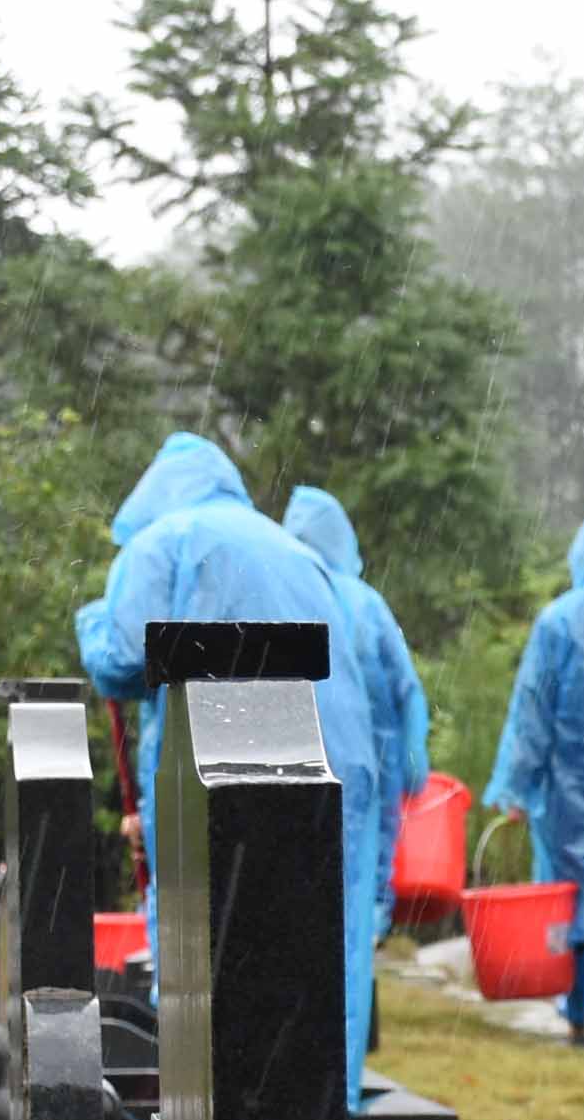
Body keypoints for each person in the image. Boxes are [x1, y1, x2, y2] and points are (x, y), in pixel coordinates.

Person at [73, 430, 386, 1066]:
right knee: (323, 947)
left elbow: (125, 658)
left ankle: (219, 1114)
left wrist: (90, 624)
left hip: (230, 761)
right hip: (336, 757)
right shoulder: (291, 549)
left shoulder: (161, 544)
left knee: (214, 940)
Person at [483, 499, 584, 1042]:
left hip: (570, 790)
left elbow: (533, 708)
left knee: (567, 902)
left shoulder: (559, 620)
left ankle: (576, 1015)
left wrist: (514, 783)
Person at [283, 483, 436, 943]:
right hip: (369, 774)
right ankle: (354, 1000)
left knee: (304, 895)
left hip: (294, 772)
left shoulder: (283, 593)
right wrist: (412, 761)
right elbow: (407, 688)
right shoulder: (367, 604)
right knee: (361, 892)